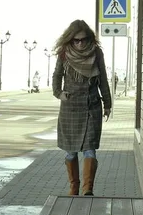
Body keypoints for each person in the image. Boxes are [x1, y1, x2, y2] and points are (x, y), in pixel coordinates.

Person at [52, 19, 112, 196]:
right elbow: (57, 76)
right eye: (76, 40)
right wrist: (59, 93)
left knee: (90, 149)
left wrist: (107, 104)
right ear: (70, 40)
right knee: (71, 152)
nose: (80, 43)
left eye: (83, 40)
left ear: (89, 39)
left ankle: (88, 189)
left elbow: (103, 79)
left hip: (91, 106)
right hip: (70, 108)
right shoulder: (64, 53)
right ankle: (74, 187)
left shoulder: (96, 53)